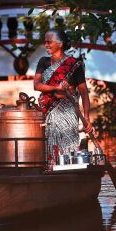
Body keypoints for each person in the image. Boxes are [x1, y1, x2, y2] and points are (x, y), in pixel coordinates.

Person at [34, 29, 93, 164]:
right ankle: (52, 167)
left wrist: (87, 119)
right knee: (50, 143)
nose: (46, 45)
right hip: (49, 111)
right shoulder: (43, 62)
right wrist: (56, 88)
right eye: (45, 42)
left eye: (49, 42)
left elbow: (84, 92)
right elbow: (36, 85)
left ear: (60, 44)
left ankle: (70, 168)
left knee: (69, 144)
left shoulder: (75, 64)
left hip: (69, 112)